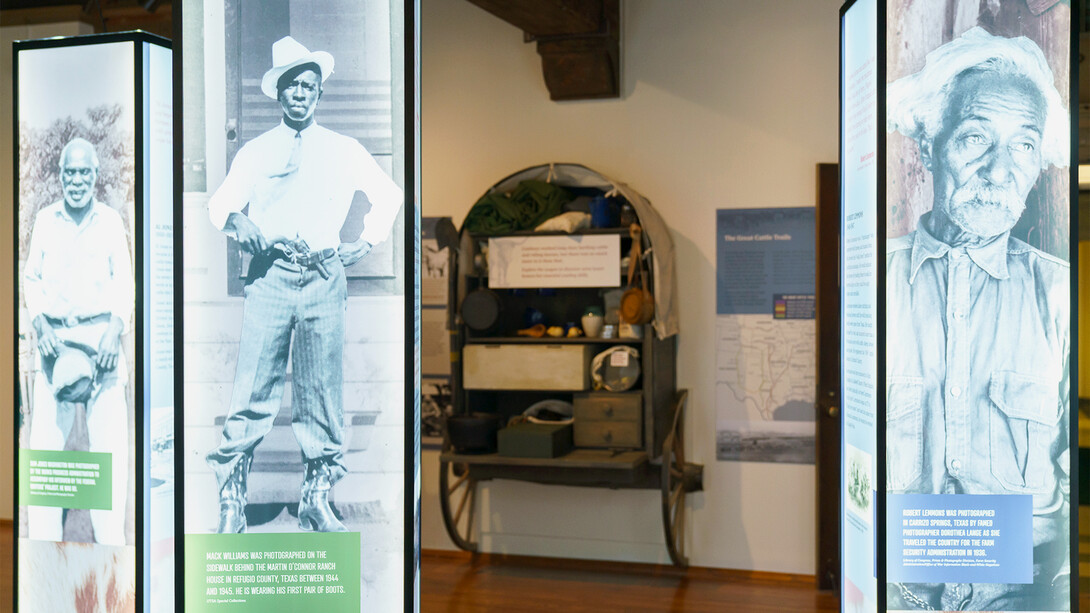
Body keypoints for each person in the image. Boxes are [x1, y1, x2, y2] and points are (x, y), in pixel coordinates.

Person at [885, 27, 1069, 610]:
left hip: (1024, 599)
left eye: (1023, 146)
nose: (999, 171)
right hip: (900, 594)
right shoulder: (868, 285)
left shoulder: (1064, 294)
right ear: (927, 149)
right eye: (974, 139)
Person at [206, 36, 403, 534]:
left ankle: (317, 499)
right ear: (279, 93)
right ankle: (232, 500)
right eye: (293, 84)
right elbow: (219, 203)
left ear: (319, 92)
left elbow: (388, 195)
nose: (301, 93)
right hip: (270, 274)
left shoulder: (344, 149)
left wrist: (365, 242)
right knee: (253, 387)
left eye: (309, 85)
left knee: (320, 391)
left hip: (322, 274)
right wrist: (237, 221)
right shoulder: (256, 151)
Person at [23, 137, 133, 547]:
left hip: (102, 345)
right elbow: (31, 278)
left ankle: (112, 560)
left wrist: (114, 327)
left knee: (109, 455)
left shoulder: (110, 221)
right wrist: (41, 324)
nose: (77, 180)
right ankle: (44, 561)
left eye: (85, 172)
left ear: (96, 175)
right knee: (47, 459)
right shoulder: (45, 221)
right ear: (60, 174)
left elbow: (125, 280)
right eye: (70, 172)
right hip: (55, 348)